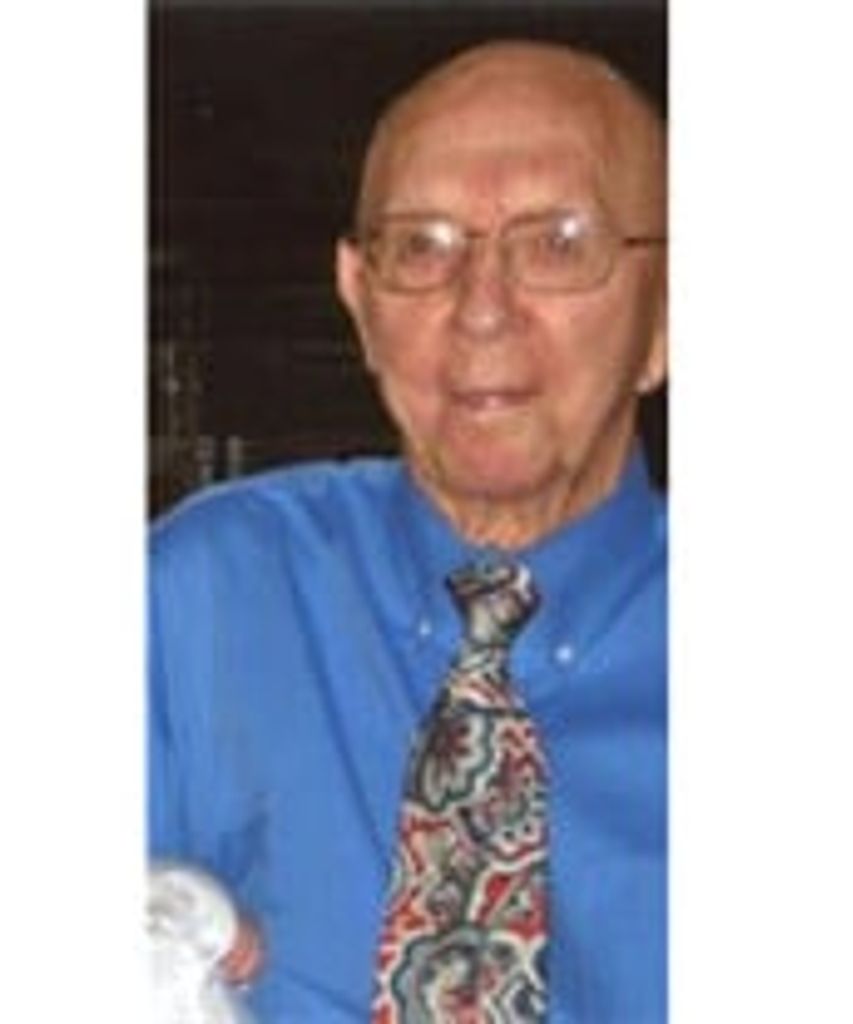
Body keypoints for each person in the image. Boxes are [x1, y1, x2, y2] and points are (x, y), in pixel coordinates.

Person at [149, 39, 667, 1022]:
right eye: (423, 246)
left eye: (558, 243)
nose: (481, 309)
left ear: (668, 312)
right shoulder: (206, 598)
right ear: (360, 302)